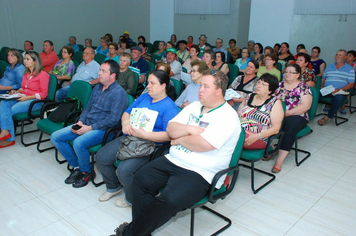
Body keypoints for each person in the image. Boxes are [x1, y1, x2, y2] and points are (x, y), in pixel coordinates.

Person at [109, 70, 241, 236]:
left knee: (168, 200)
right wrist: (189, 130)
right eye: (200, 85)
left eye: (206, 87)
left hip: (201, 172)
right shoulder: (194, 106)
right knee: (140, 179)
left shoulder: (228, 116)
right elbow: (171, 129)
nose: (200, 90)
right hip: (173, 160)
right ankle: (141, 231)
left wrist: (180, 139)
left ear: (218, 90)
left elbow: (203, 144)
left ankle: (130, 232)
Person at [96, 70, 180, 207]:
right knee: (101, 157)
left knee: (124, 170)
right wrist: (125, 123)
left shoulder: (170, 107)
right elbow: (127, 113)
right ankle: (114, 187)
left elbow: (169, 135)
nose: (149, 86)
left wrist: (146, 135)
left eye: (152, 83)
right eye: (148, 83)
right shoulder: (144, 97)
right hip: (130, 137)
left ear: (163, 85)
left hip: (149, 144)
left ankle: (131, 198)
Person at [50, 60, 128, 188]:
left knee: (78, 143)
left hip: (103, 130)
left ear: (113, 75)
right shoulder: (98, 87)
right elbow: (87, 107)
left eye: (103, 71)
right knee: (56, 137)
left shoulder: (119, 93)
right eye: (100, 70)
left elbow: (114, 120)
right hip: (87, 123)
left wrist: (89, 128)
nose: (99, 73)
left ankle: (87, 172)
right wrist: (81, 121)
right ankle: (77, 167)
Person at [0, 51, 49, 148]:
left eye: (28, 59)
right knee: (4, 103)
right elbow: (24, 87)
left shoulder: (42, 75)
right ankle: (5, 131)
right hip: (23, 96)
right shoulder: (26, 73)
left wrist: (27, 97)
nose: (25, 61)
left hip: (35, 101)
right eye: (25, 59)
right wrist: (17, 91)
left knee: (10, 110)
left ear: (35, 61)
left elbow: (43, 94)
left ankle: (9, 137)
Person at [273, 64, 312, 173]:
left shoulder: (303, 87)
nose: (287, 74)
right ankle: (271, 147)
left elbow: (306, 106)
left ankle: (279, 161)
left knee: (289, 130)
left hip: (297, 115)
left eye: (291, 72)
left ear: (298, 75)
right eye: (286, 71)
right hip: (279, 114)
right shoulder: (279, 85)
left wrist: (287, 113)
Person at [238, 74, 283, 149]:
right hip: (240, 132)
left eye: (264, 85)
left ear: (270, 90)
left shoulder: (275, 102)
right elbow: (237, 116)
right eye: (258, 82)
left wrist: (257, 136)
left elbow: (276, 129)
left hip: (258, 137)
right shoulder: (249, 96)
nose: (259, 86)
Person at [317, 50, 355, 125]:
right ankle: (306, 115)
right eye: (336, 54)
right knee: (314, 94)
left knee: (339, 98)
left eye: (340, 55)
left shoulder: (350, 69)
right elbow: (323, 78)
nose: (337, 56)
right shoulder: (329, 67)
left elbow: (351, 84)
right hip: (327, 90)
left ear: (345, 57)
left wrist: (338, 89)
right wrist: (321, 86)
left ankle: (327, 117)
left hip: (340, 91)